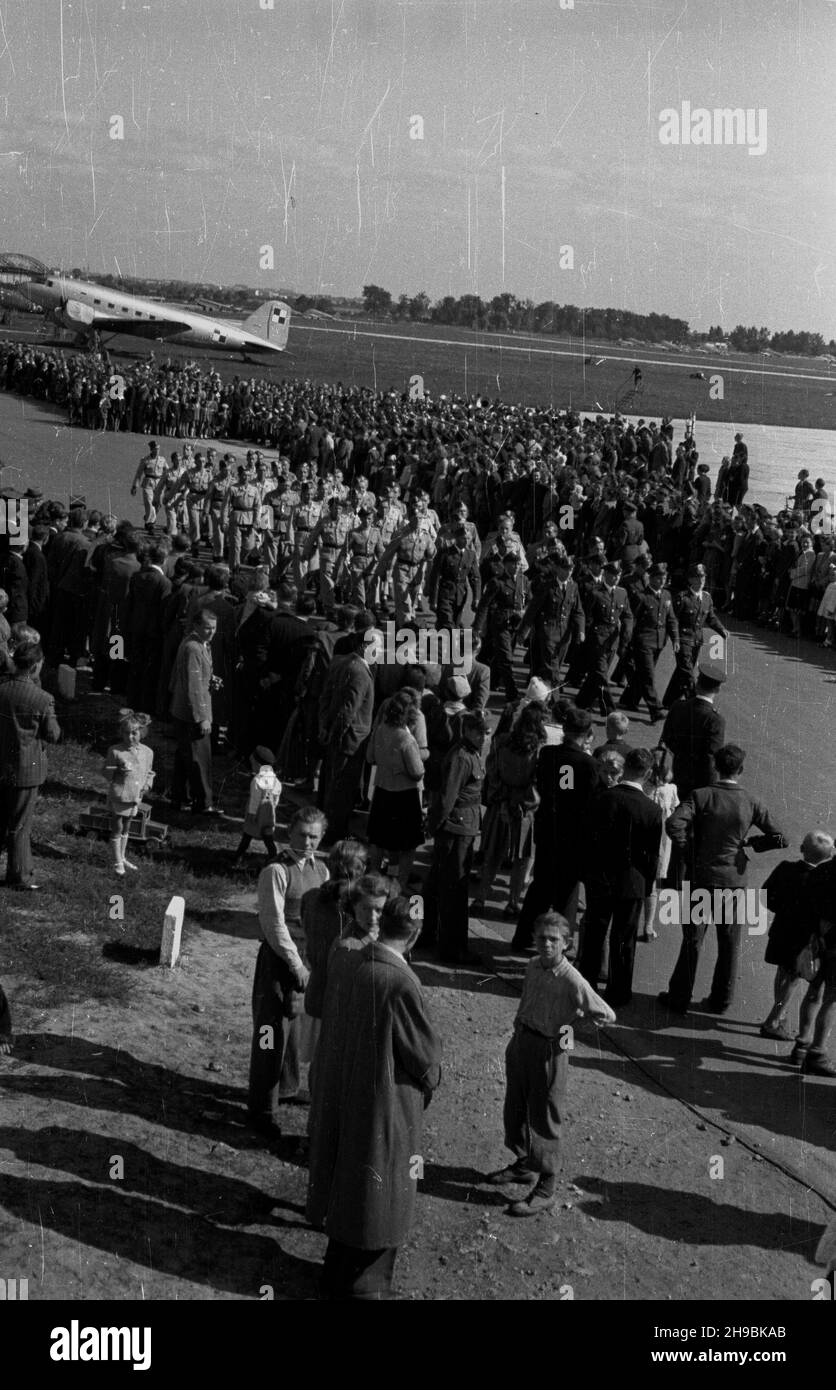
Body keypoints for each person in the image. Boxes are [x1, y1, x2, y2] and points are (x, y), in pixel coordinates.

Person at [315, 895, 442, 1300]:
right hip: (388, 1104)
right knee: (384, 1190)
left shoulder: (355, 962)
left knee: (352, 1184)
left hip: (349, 1090)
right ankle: (367, 1288)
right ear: (415, 935)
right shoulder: (401, 982)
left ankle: (338, 1274)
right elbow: (424, 1059)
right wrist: (432, 1079)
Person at [486, 912, 614, 1216]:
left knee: (545, 1119)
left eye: (553, 939)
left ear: (566, 944)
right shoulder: (532, 965)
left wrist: (569, 1030)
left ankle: (546, 1189)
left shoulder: (572, 979)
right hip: (522, 1043)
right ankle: (523, 1164)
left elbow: (606, 1015)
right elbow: (527, 998)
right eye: (541, 937)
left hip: (549, 1051)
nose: (546, 944)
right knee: (515, 1108)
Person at [659, 744, 788, 1017]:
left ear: (716, 766)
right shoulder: (751, 801)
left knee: (692, 939)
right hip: (734, 880)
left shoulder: (701, 795)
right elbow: (780, 838)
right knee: (729, 942)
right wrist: (751, 844)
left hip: (702, 877)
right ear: (740, 770)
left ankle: (679, 996)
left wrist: (689, 851)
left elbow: (674, 824)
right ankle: (721, 999)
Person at [248, 806, 329, 1138]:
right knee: (271, 1033)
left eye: (314, 836)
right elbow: (273, 923)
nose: (307, 842)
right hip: (280, 960)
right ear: (289, 833)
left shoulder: (321, 871)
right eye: (302, 835)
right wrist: (295, 963)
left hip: (307, 962)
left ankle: (289, 1088)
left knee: (297, 1027)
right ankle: (261, 1108)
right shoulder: (276, 871)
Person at [512, 706, 606, 951]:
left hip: (548, 829)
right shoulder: (588, 764)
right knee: (567, 893)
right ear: (587, 734)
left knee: (540, 887)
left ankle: (524, 936)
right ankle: (561, 943)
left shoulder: (548, 754)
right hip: (574, 836)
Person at [579, 747, 663, 1006]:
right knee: (624, 939)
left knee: (595, 933)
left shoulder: (604, 798)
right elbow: (651, 855)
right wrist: (648, 884)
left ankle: (587, 984)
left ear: (625, 767)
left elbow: (588, 838)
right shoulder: (651, 809)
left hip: (600, 877)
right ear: (647, 773)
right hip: (632, 883)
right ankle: (618, 992)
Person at [422, 710, 486, 965]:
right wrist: (435, 824)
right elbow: (448, 797)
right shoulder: (462, 756)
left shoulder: (470, 753)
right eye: (478, 732)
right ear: (466, 730)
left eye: (485, 733)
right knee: (453, 890)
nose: (483, 737)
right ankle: (451, 948)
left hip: (462, 828)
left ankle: (428, 934)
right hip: (456, 829)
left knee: (440, 883)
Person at [759, 831, 835, 1042]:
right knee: (792, 980)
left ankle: (778, 1014)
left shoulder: (785, 868)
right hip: (802, 938)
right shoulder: (820, 878)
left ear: (802, 849)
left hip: (781, 930)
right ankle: (773, 1020)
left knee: (782, 974)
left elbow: (767, 895)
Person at [473, 703, 545, 917]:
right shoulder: (539, 750)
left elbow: (492, 773)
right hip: (525, 810)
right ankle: (513, 902)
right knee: (522, 858)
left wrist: (502, 798)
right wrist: (525, 802)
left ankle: (480, 898)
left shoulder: (503, 741)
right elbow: (536, 783)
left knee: (492, 854)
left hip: (501, 805)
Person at [0, 642, 60, 890]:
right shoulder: (43, 699)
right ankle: (21, 876)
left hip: (1, 764)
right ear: (35, 666)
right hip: (27, 769)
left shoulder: (2, 690)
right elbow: (53, 735)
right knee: (20, 826)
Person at [318, 627, 377, 842]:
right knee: (341, 789)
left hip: (343, 737)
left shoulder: (347, 663)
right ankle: (335, 833)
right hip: (350, 740)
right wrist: (337, 734)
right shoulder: (360, 672)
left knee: (335, 787)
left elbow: (328, 697)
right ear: (364, 646)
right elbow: (348, 710)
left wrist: (325, 726)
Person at [365, 689, 425, 888]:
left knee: (379, 840)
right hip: (403, 796)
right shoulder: (407, 740)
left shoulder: (381, 729)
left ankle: (374, 877)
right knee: (407, 845)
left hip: (382, 790)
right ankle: (399, 884)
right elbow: (417, 772)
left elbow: (370, 757)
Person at [168, 607, 218, 815]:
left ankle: (179, 797)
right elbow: (193, 687)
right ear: (197, 625)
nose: (211, 632)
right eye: (207, 628)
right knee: (199, 760)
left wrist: (212, 679)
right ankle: (203, 803)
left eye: (214, 628)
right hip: (192, 714)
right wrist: (202, 718)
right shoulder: (194, 648)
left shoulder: (200, 644)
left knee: (184, 756)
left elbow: (197, 677)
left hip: (183, 711)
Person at [658, 662, 726, 800]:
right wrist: (711, 790)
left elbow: (665, 739)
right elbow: (711, 757)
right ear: (717, 690)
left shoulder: (678, 706)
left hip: (673, 772)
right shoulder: (715, 720)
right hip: (697, 783)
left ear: (697, 684)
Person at [102, 710, 155, 877]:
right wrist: (118, 769)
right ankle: (117, 861)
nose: (130, 737)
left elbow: (149, 772)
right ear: (121, 733)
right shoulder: (115, 751)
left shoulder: (147, 752)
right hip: (120, 795)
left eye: (134, 733)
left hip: (135, 796)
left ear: (142, 732)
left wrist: (147, 785)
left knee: (128, 825)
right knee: (117, 826)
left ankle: (122, 856)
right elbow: (106, 772)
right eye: (126, 733)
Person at [232, 747, 282, 864]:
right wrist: (272, 809)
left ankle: (237, 858)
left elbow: (255, 800)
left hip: (256, 814)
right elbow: (276, 799)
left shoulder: (257, 780)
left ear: (259, 765)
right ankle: (273, 858)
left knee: (247, 836)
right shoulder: (277, 782)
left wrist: (252, 814)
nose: (252, 767)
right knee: (268, 839)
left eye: (252, 764)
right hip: (269, 814)